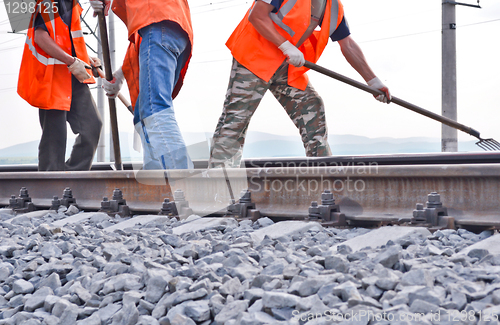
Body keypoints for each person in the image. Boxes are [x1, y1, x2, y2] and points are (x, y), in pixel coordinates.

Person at [208, 0, 391, 168]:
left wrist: (373, 82)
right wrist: (286, 46)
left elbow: (347, 44)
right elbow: (257, 16)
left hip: (286, 66)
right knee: (235, 121)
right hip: (255, 58)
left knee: (311, 106)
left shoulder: (332, 6)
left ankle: (322, 178)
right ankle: (218, 187)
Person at [90, 0, 194, 170]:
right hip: (170, 28)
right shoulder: (150, 19)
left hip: (161, 23)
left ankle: (182, 183)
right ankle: (157, 186)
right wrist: (120, 76)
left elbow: (153, 31)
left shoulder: (152, 13)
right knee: (144, 116)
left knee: (154, 109)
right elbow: (144, 39)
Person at [18, 0, 102, 171]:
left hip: (73, 75)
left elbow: (69, 40)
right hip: (52, 79)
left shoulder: (73, 4)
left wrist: (86, 58)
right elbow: (41, 37)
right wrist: (72, 61)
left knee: (92, 125)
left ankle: (72, 179)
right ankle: (52, 187)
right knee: (54, 138)